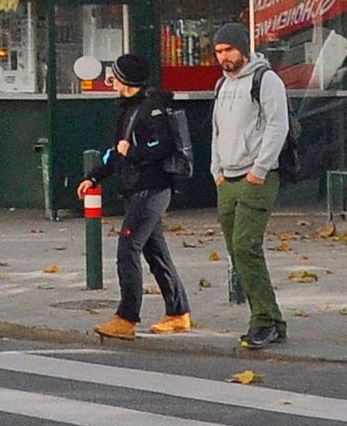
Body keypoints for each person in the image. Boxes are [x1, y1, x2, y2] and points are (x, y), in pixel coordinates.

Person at [94, 52, 193, 339]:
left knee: (128, 248)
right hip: (136, 187)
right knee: (155, 252)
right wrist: (94, 176)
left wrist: (132, 152)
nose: (110, 81)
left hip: (152, 188)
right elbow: (117, 152)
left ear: (124, 80)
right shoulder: (126, 108)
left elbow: (162, 146)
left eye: (113, 76)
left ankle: (126, 318)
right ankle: (178, 312)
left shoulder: (151, 108)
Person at [207, 39, 292, 352]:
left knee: (246, 246)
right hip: (227, 177)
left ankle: (263, 322)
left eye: (229, 50)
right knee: (237, 251)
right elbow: (216, 131)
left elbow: (277, 125)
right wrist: (216, 170)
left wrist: (261, 168)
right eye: (218, 51)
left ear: (243, 49)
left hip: (257, 177)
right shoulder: (221, 85)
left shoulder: (265, 79)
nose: (223, 57)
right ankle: (273, 320)